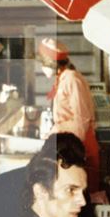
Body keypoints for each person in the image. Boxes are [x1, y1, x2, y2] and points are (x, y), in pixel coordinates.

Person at [37, 37, 100, 192]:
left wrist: (56, 133)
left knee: (83, 193)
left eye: (43, 62)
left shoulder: (71, 79)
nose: (41, 67)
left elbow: (81, 120)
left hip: (79, 146)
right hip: (69, 145)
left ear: (51, 62)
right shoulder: (63, 78)